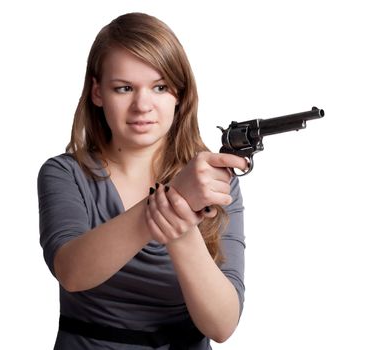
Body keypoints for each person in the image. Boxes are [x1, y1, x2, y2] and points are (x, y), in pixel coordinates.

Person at [37, 12, 247, 350]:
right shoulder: (65, 173)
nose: (142, 106)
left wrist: (180, 232)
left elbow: (221, 325)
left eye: (160, 87)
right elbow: (72, 272)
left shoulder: (213, 182)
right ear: (97, 92)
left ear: (179, 94)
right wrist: (175, 199)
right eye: (124, 88)